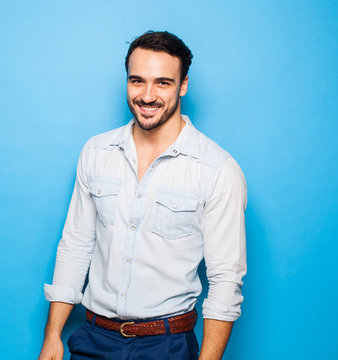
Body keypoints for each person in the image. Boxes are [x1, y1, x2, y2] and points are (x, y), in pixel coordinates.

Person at [38, 31, 247, 360]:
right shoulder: (96, 152)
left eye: (163, 83)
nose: (147, 96)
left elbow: (225, 279)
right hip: (93, 338)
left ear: (183, 86)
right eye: (137, 81)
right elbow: (76, 245)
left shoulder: (217, 169)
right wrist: (53, 335)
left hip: (167, 345)